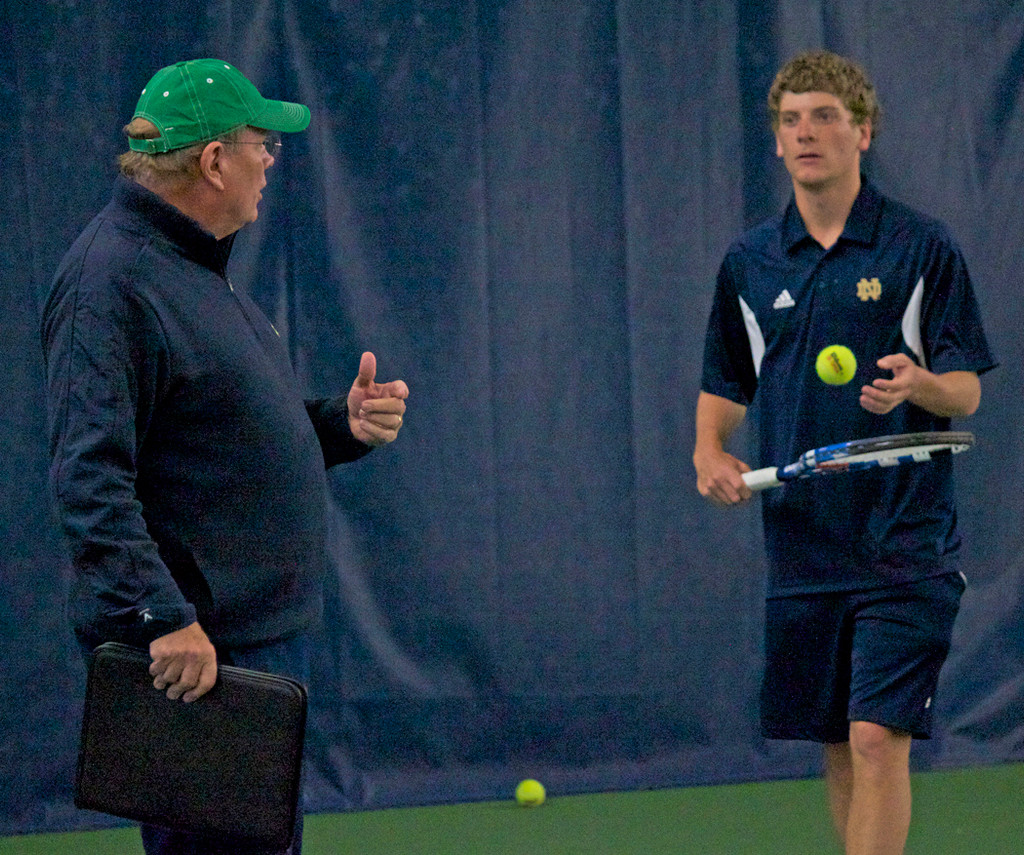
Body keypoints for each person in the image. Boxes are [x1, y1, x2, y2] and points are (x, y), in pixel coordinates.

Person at [42, 58, 409, 855]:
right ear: (213, 161)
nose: (271, 160)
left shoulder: (191, 267)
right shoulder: (109, 283)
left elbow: (223, 439)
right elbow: (88, 479)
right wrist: (162, 617)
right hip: (200, 663)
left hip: (249, 651)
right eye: (260, 144)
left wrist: (342, 424)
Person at [693, 51, 995, 855]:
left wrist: (919, 383)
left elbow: (966, 391)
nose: (806, 133)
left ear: (863, 131)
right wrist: (709, 450)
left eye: (825, 116)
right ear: (776, 140)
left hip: (905, 542)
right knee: (836, 741)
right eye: (791, 120)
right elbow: (726, 382)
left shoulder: (921, 247)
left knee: (874, 736)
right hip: (804, 548)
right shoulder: (749, 262)